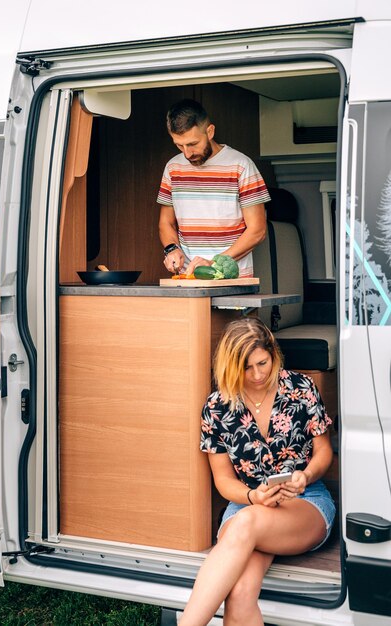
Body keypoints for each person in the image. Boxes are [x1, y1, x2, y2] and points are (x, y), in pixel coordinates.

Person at [179, 317, 336, 626]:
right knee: (239, 594)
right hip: (246, 503)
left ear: (273, 354)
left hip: (304, 501)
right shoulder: (217, 407)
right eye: (246, 368)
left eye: (263, 363)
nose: (258, 374)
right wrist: (253, 495)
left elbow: (323, 452)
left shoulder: (300, 387)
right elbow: (224, 481)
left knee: (245, 522)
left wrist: (305, 476)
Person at [157, 99, 270, 277]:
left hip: (233, 280)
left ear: (210, 131)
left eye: (193, 144)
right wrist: (171, 248)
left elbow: (258, 231)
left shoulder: (241, 166)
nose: (187, 153)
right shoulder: (172, 168)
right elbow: (166, 223)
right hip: (189, 279)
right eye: (179, 145)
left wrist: (214, 262)